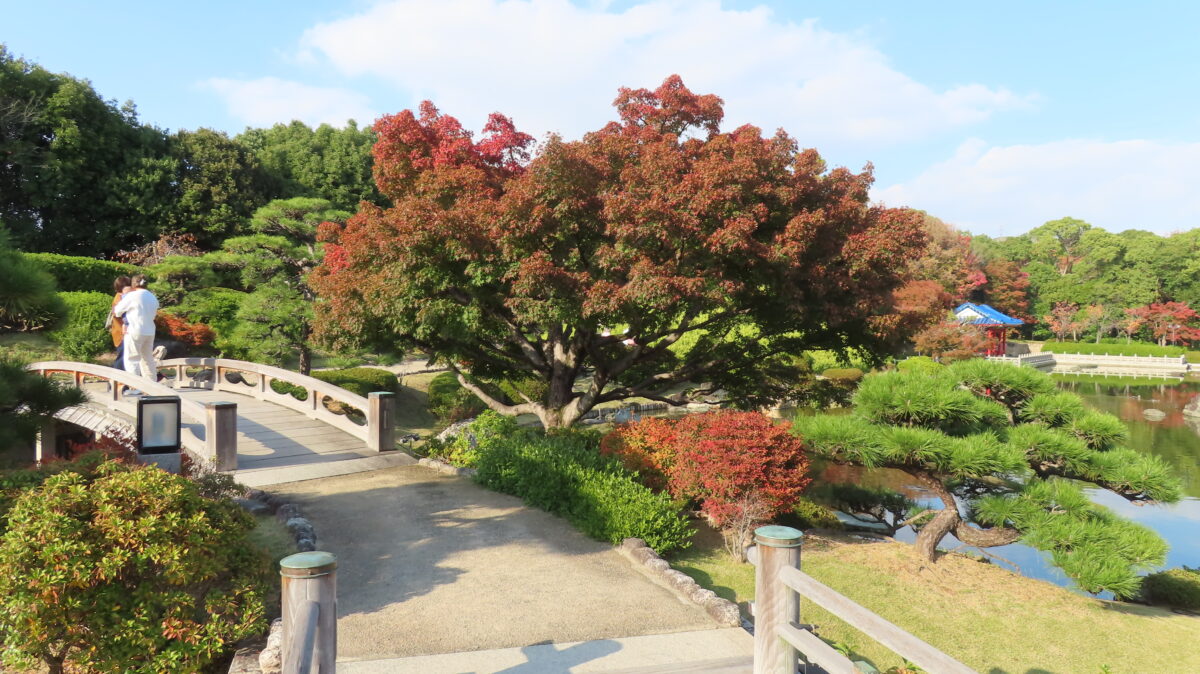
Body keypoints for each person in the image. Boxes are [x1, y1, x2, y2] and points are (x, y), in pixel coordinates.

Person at [112, 275, 160, 385]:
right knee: (148, 359)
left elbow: (118, 311)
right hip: (149, 330)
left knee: (132, 359)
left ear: (133, 284)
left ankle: (135, 387)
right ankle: (152, 385)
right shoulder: (152, 297)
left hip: (134, 330)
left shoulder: (132, 296)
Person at [106, 275, 131, 370]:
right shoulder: (119, 298)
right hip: (122, 334)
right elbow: (117, 313)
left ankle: (117, 382)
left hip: (123, 333)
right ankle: (115, 381)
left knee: (125, 358)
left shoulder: (122, 297)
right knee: (122, 359)